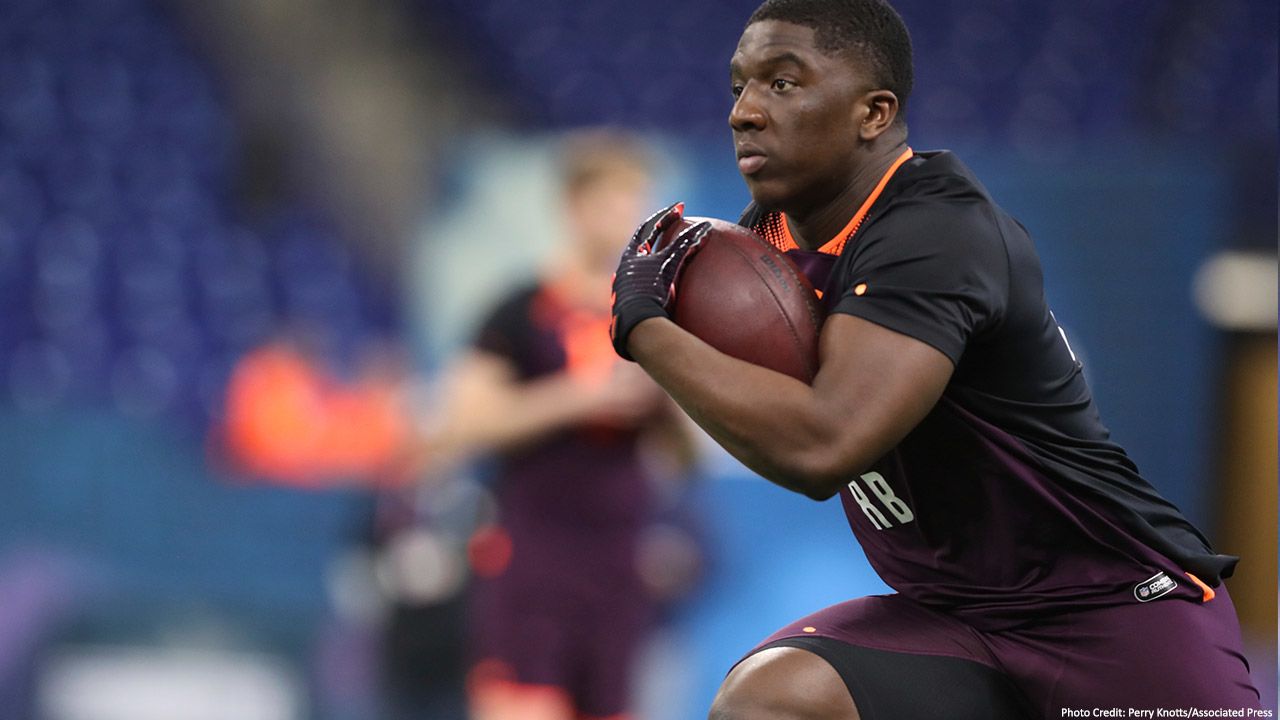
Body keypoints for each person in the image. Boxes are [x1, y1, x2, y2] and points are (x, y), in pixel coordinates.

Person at [607, 1, 1261, 717]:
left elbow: (823, 445)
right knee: (772, 700)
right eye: (739, 86)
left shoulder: (934, 230)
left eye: (783, 83)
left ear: (874, 113)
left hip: (1108, 610)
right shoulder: (767, 238)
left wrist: (645, 326)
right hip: (958, 619)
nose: (745, 112)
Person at [430, 130, 699, 720]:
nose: (629, 221)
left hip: (618, 564)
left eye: (638, 205)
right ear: (573, 207)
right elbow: (462, 423)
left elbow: (685, 459)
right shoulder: (520, 310)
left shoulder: (650, 321)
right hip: (535, 558)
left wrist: (671, 391)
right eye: (614, 202)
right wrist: (577, 398)